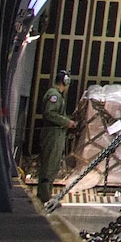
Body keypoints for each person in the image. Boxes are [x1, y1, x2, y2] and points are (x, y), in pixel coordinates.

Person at [36, 69, 74, 203]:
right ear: (65, 82)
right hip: (52, 134)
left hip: (56, 133)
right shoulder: (55, 96)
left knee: (52, 165)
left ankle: (46, 194)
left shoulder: (56, 95)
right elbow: (50, 113)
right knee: (49, 166)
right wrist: (66, 122)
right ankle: (44, 197)